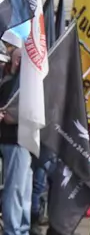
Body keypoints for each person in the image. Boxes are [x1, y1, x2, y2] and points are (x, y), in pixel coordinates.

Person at [0, 45, 33, 235]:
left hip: (24, 142)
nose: (19, 61)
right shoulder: (8, 82)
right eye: (17, 57)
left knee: (23, 191)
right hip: (13, 142)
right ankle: (13, 231)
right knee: (15, 191)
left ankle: (21, 229)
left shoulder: (27, 83)